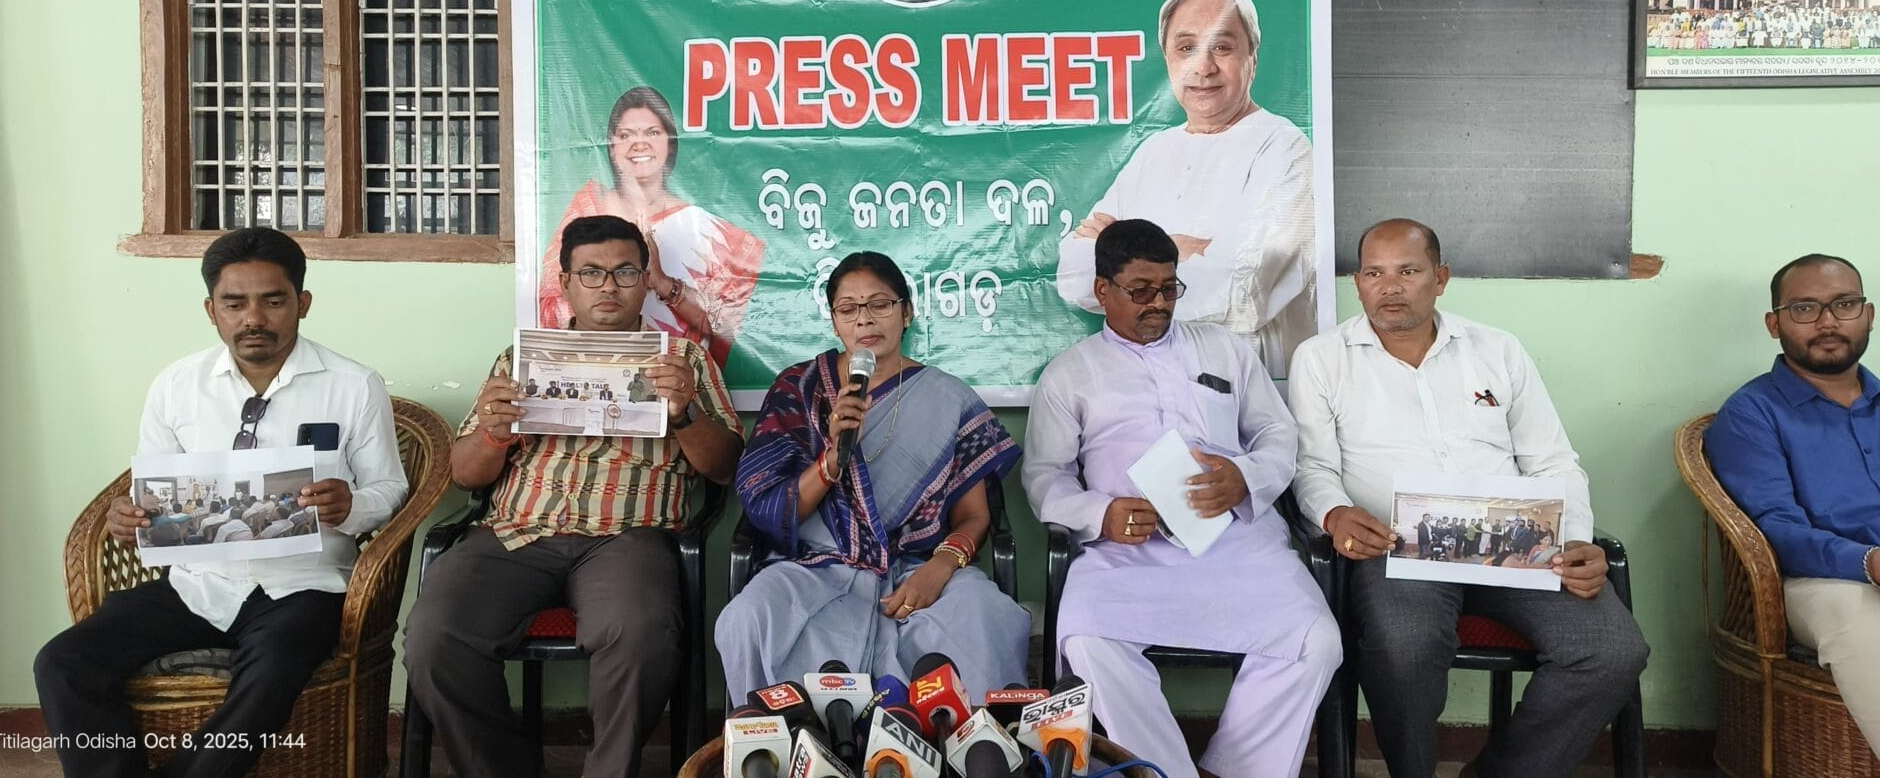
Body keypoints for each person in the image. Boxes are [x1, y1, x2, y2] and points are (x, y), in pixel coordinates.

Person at [33, 228, 409, 778]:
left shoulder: (353, 385)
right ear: (212, 310)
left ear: (302, 303)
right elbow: (149, 491)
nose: (253, 318)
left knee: (275, 663)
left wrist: (350, 504)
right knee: (62, 660)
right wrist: (128, 517)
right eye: (234, 303)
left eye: (273, 301)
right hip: (196, 585)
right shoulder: (176, 385)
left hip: (303, 586)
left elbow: (391, 490)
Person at [1289, 218, 1648, 778]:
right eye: (1374, 274)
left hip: (1515, 543)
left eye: (1408, 271)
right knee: (1404, 646)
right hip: (1399, 548)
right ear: (1357, 283)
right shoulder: (1321, 358)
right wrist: (1335, 514)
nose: (1389, 287)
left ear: (1441, 278)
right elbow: (1311, 465)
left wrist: (1575, 539)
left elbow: (1553, 460)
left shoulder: (1497, 350)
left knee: (1611, 650)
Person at [403, 215, 744, 778]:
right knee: (433, 639)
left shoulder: (682, 361)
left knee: (641, 635)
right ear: (565, 283)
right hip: (516, 532)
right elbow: (465, 476)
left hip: (626, 539)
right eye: (591, 273)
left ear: (645, 280)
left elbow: (727, 469)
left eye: (625, 272)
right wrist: (494, 433)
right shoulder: (522, 360)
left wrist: (684, 414)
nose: (608, 286)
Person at [1026, 219, 1341, 778]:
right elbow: (1045, 476)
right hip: (1127, 552)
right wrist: (1101, 513)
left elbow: (1277, 434)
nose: (1158, 303)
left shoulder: (1224, 349)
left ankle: (1237, 770)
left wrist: (1244, 476)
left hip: (1238, 543)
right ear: (1103, 291)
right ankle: (1167, 772)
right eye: (1140, 290)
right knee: (1089, 640)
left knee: (1316, 640)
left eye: (1169, 288)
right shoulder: (1070, 374)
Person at [716, 251, 1028, 698]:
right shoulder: (799, 389)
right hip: (816, 565)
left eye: (880, 304)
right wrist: (831, 461)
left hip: (915, 564)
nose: (864, 320)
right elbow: (769, 507)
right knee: (747, 618)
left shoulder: (948, 397)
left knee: (987, 616)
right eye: (848, 309)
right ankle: (786, 737)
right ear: (834, 321)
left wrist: (940, 567)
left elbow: (975, 516)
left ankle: (961, 739)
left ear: (907, 312)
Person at [1056, 0, 1316, 378]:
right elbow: (1075, 277)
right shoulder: (1153, 151)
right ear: (1167, 60)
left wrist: (1130, 265)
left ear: (1252, 56)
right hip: (1145, 378)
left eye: (1222, 47)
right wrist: (1186, 248)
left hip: (1242, 379)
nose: (1203, 67)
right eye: (1186, 48)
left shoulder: (1284, 148)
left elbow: (1243, 290)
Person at [1706, 253, 1880, 750]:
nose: (1828, 322)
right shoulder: (1752, 413)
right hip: (1821, 581)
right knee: (1855, 618)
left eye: (1844, 304)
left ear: (1868, 315)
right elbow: (1775, 528)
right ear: (1774, 324)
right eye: (1805, 308)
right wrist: (1869, 562)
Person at [539, 86, 767, 366]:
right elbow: (549, 308)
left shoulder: (708, 229)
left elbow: (730, 328)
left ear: (671, 143)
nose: (639, 144)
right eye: (626, 135)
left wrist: (663, 283)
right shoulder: (586, 207)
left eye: (652, 133)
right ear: (611, 146)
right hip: (582, 370)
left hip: (674, 377)